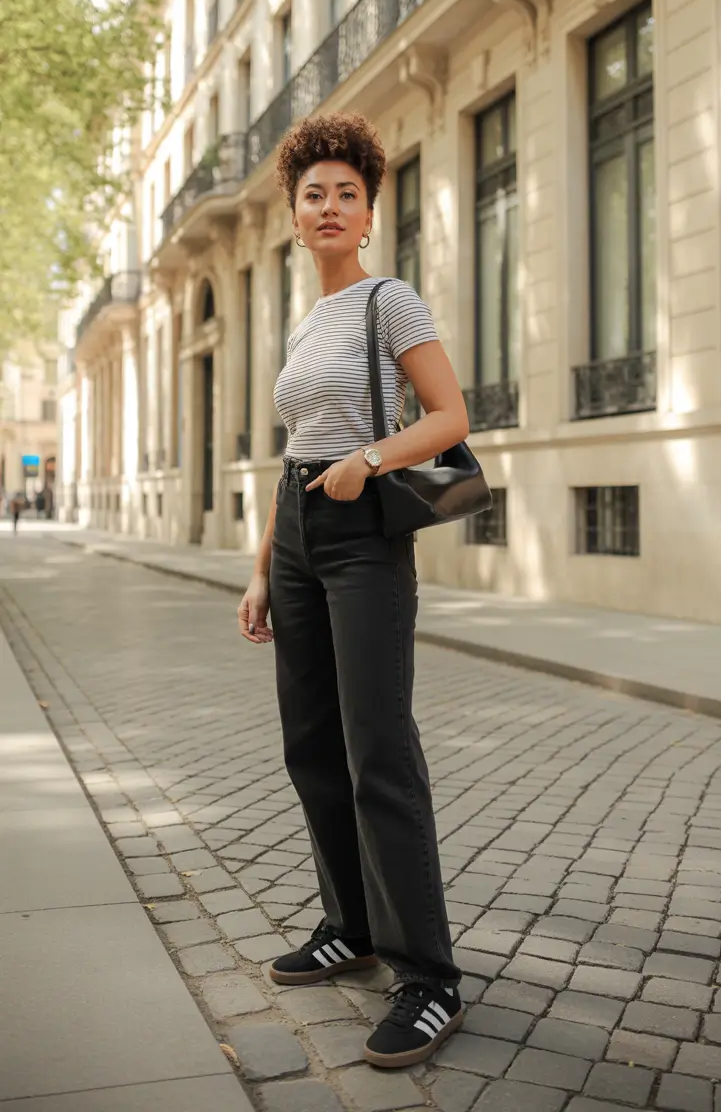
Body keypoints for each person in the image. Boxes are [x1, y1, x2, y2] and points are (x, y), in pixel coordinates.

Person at [237, 112, 470, 1069]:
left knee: (379, 748)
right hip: (299, 528)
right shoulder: (306, 323)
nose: (329, 206)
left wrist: (368, 461)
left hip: (364, 531)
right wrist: (260, 568)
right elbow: (292, 451)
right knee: (311, 745)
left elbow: (452, 415)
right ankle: (353, 925)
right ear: (295, 217)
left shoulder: (391, 302)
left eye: (346, 193)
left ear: (368, 212)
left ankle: (429, 978)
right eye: (312, 194)